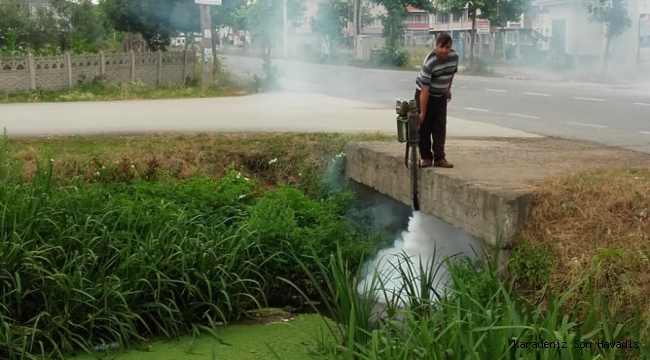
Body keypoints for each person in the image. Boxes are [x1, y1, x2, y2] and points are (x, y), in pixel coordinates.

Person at [414, 33, 458, 168]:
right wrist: (422, 113)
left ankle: (440, 158)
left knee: (440, 126)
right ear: (436, 46)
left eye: (447, 47)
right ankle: (426, 157)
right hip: (425, 94)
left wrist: (448, 89)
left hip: (440, 95)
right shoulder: (430, 63)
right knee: (424, 126)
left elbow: (451, 73)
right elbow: (424, 90)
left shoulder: (454, 57)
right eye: (441, 47)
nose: (444, 51)